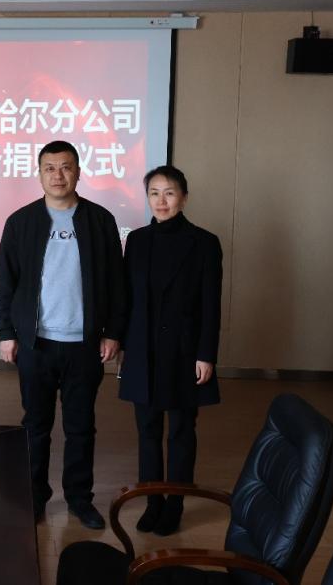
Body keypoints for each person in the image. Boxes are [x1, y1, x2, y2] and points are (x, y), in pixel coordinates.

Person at [0, 140, 125, 527]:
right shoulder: (21, 222)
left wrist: (113, 332)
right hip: (36, 343)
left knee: (80, 427)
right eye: (49, 168)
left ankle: (79, 500)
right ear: (39, 174)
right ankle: (34, 497)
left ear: (78, 172)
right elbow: (6, 282)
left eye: (66, 167)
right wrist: (7, 331)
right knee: (35, 426)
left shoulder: (100, 220)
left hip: (84, 344)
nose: (58, 175)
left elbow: (116, 283)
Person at [119, 165, 222, 536]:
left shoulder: (204, 242)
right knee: (147, 430)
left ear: (184, 197)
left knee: (180, 430)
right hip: (143, 349)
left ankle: (175, 504)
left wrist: (206, 353)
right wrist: (123, 344)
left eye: (169, 192)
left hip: (184, 351)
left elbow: (211, 304)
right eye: (154, 193)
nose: (161, 201)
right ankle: (152, 501)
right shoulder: (137, 240)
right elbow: (127, 300)